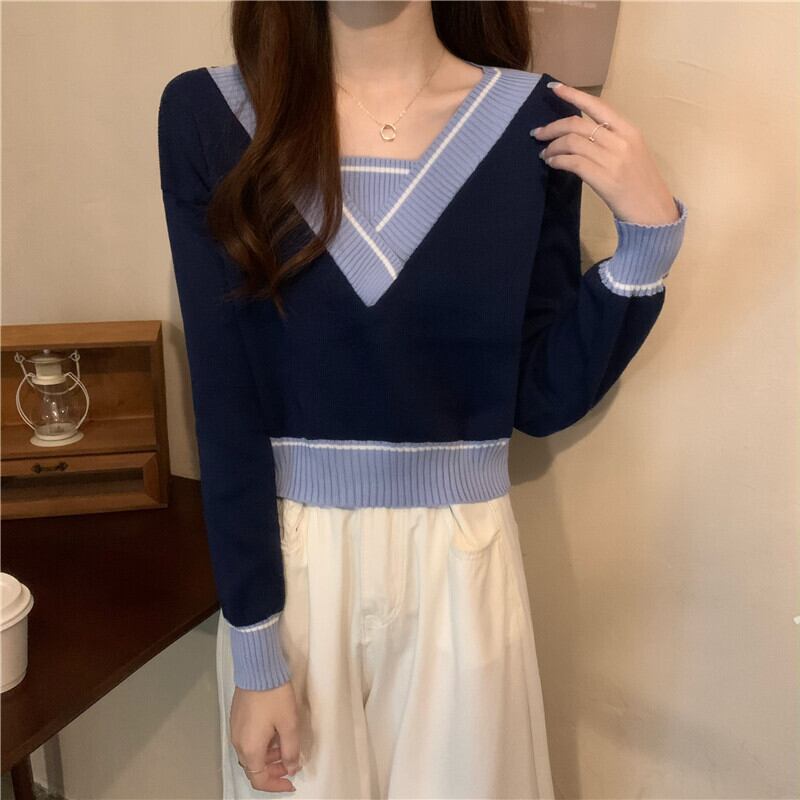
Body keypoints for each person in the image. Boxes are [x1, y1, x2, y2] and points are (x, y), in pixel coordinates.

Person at [157, 2, 687, 797]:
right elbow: (224, 405)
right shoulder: (210, 115)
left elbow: (538, 397)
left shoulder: (528, 120)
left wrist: (645, 242)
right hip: (292, 577)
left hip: (463, 571)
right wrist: (257, 651)